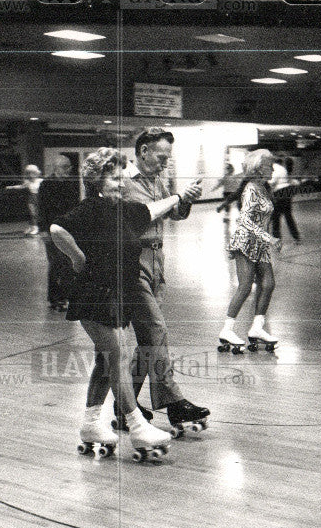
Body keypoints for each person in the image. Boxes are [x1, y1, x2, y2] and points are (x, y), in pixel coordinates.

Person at [49, 148, 182, 461]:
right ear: (98, 179)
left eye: (123, 177)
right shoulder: (92, 207)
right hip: (95, 295)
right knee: (118, 358)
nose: (121, 182)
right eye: (113, 177)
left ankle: (91, 424)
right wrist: (78, 258)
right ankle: (137, 426)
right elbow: (57, 230)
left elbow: (152, 210)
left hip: (116, 294)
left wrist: (177, 198)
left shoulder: (124, 210)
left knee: (105, 360)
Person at [120, 127, 208, 437]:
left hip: (157, 262)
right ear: (143, 151)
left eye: (168, 158)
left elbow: (175, 215)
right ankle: (174, 401)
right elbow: (144, 215)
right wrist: (176, 198)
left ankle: (123, 403)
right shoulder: (125, 184)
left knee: (148, 340)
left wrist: (186, 201)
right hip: (133, 264)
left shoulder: (157, 180)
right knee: (156, 329)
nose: (164, 163)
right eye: (160, 156)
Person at [218, 149, 281, 353]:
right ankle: (227, 330)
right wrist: (269, 238)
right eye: (269, 165)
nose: (272, 168)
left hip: (260, 244)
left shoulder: (265, 188)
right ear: (257, 167)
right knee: (245, 286)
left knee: (268, 283)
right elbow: (244, 220)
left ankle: (257, 328)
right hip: (246, 241)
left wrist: (266, 238)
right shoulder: (251, 188)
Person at [37, 156, 81, 311]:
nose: (68, 170)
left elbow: (75, 208)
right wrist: (42, 230)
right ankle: (55, 298)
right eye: (65, 167)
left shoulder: (71, 184)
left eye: (69, 167)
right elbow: (41, 208)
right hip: (51, 230)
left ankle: (65, 297)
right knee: (57, 264)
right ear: (56, 168)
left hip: (67, 230)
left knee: (68, 263)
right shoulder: (46, 184)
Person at [6, 164, 43, 236]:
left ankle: (36, 228)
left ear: (36, 173)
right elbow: (21, 186)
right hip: (31, 199)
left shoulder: (40, 181)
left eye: (33, 173)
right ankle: (32, 227)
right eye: (29, 173)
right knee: (32, 214)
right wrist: (11, 187)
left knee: (36, 214)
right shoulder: (28, 182)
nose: (31, 175)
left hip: (39, 198)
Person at [269, 158, 300, 244]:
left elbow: (272, 181)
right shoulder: (283, 169)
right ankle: (296, 237)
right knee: (288, 216)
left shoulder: (274, 168)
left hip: (279, 192)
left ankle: (276, 238)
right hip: (287, 191)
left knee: (276, 217)